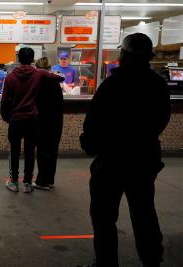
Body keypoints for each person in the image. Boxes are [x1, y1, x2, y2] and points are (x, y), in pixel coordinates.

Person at [80, 33, 170, 267]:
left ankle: (106, 263)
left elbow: (94, 123)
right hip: (144, 160)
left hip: (111, 163)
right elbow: (162, 119)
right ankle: (152, 261)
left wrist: (89, 144)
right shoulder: (158, 84)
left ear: (124, 55)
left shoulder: (113, 84)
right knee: (144, 215)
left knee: (104, 218)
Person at [1, 48, 64, 193]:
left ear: (18, 59)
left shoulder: (10, 77)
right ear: (32, 59)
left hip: (16, 119)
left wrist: (6, 117)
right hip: (32, 120)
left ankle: (14, 182)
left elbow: (4, 101)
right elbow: (60, 78)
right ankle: (28, 184)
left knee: (14, 151)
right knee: (30, 152)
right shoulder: (39, 74)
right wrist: (56, 74)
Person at [34, 57, 64, 190]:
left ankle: (42, 181)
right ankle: (50, 179)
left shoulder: (39, 82)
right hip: (57, 120)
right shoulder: (56, 81)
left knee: (42, 150)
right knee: (52, 150)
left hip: (43, 120)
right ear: (49, 68)